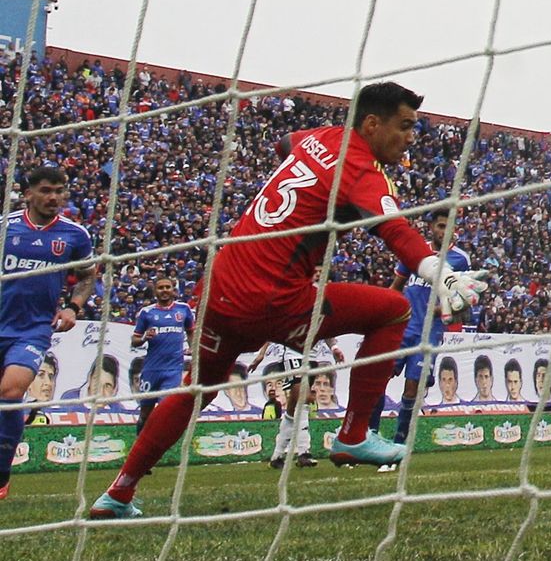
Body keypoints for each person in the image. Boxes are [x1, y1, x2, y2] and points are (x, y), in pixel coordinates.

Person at [91, 82, 488, 519]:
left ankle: (118, 492)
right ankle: (354, 434)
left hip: (221, 285)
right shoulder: (360, 169)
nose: (412, 136)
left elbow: (285, 144)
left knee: (196, 389)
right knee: (394, 310)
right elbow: (395, 230)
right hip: (270, 298)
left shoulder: (318, 138)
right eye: (406, 126)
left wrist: (309, 197)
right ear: (372, 124)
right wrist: (440, 273)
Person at [0, 166, 96, 500]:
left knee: (11, 392)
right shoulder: (6, 227)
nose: (53, 197)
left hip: (32, 330)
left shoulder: (74, 235)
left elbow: (87, 276)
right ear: (28, 193)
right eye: (45, 190)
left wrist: (73, 308)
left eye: (59, 190)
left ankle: (2, 472)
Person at [371, 207, 472, 450]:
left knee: (412, 388)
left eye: (449, 227)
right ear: (432, 228)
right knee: (378, 379)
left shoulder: (460, 260)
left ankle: (399, 445)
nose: (445, 231)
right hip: (402, 328)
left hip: (428, 334)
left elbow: (464, 303)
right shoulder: (416, 252)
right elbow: (396, 286)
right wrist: (379, 315)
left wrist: (444, 308)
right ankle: (370, 436)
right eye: (440, 226)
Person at [249, 338, 344, 469]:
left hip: (311, 358)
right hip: (292, 356)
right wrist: (262, 353)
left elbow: (326, 328)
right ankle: (304, 453)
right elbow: (275, 326)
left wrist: (334, 348)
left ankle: (276, 457)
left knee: (292, 408)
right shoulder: (292, 317)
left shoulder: (320, 316)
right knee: (302, 399)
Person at [131, 277, 195, 436]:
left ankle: (156, 448)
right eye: (160, 288)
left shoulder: (184, 309)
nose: (164, 290)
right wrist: (145, 337)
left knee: (164, 410)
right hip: (151, 370)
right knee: (145, 413)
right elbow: (134, 340)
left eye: (168, 287)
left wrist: (193, 348)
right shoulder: (147, 313)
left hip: (173, 370)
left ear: (174, 290)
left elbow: (191, 331)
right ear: (155, 291)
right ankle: (138, 445)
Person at [24, 352, 59, 426]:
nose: (48, 382)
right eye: (41, 375)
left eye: (51, 377)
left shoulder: (63, 410)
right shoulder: (14, 410)